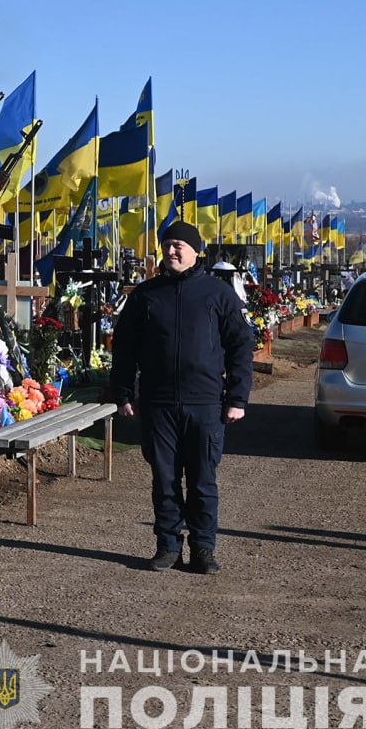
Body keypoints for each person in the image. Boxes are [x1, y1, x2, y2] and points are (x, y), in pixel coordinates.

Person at [110, 220, 254, 575]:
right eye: (167, 244)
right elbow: (125, 348)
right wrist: (124, 392)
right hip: (159, 404)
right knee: (164, 479)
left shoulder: (217, 295)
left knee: (203, 481)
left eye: (179, 245)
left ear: (195, 250)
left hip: (205, 404)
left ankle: (203, 548)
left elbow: (240, 346)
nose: (172, 251)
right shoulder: (145, 295)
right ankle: (168, 545)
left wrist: (237, 397)